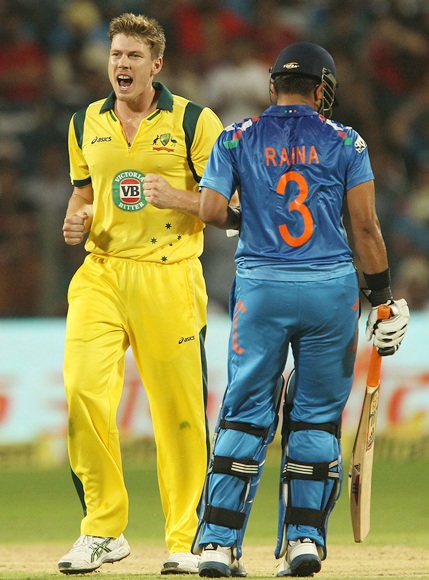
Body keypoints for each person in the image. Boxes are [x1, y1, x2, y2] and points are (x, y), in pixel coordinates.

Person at [190, 42, 410, 577]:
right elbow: (365, 229)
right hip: (330, 292)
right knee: (314, 417)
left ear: (272, 88)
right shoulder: (346, 141)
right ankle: (305, 541)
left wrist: (259, 218)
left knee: (243, 412)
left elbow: (211, 210)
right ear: (322, 90)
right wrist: (382, 301)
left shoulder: (235, 136)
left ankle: (218, 543)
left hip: (261, 288)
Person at [57, 12, 223, 575]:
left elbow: (232, 209)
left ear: (157, 64)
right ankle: (104, 529)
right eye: (115, 55)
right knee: (82, 388)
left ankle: (185, 540)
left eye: (132, 56)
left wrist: (178, 199)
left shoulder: (195, 122)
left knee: (178, 413)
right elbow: (83, 196)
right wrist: (75, 220)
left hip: (169, 274)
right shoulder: (84, 123)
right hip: (101, 272)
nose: (121, 65)